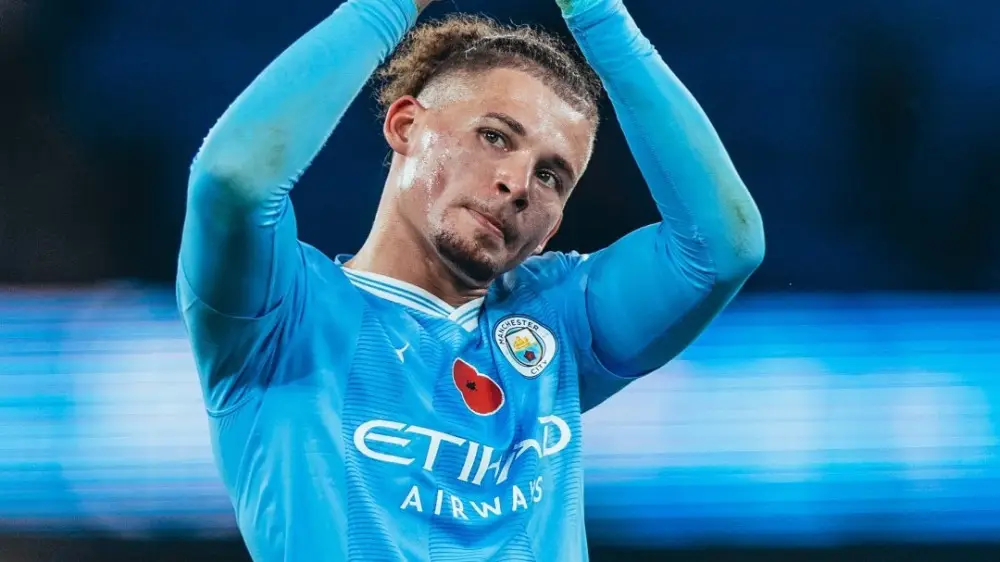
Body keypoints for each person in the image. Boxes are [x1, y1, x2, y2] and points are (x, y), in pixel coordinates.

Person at [177, 0, 765, 559]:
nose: (519, 184)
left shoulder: (558, 318)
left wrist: (598, 14)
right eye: (495, 137)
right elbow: (233, 178)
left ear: (553, 227)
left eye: (551, 177)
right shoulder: (279, 314)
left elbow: (722, 249)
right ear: (406, 125)